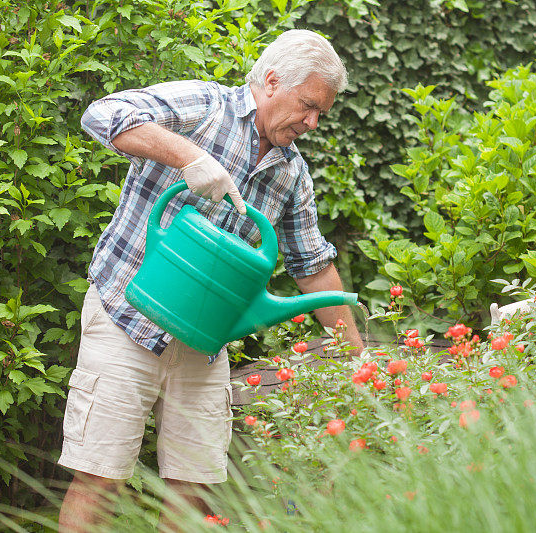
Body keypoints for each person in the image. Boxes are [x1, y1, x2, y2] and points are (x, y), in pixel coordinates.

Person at [57, 29, 363, 532]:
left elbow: (311, 265)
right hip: (126, 319)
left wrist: (358, 355)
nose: (312, 122)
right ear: (270, 82)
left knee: (191, 489)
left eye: (320, 114)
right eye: (308, 106)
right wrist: (191, 158)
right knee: (100, 478)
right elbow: (102, 114)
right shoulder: (205, 106)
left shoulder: (291, 172)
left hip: (204, 345)